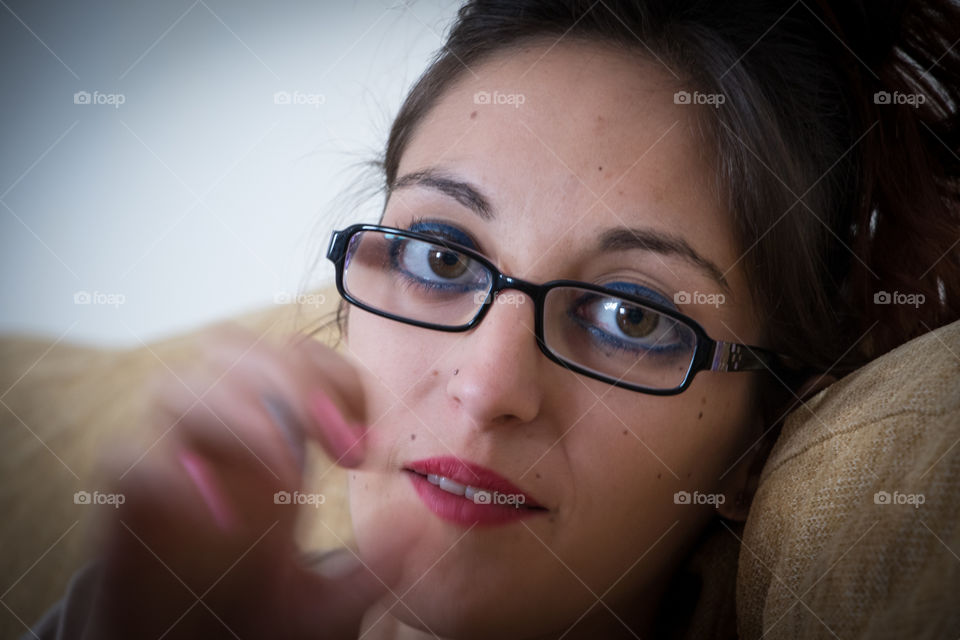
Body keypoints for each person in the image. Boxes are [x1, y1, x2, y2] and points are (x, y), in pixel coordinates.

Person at [24, 0, 960, 638]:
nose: (489, 385)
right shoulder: (141, 613)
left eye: (631, 314)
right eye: (443, 256)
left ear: (755, 446)